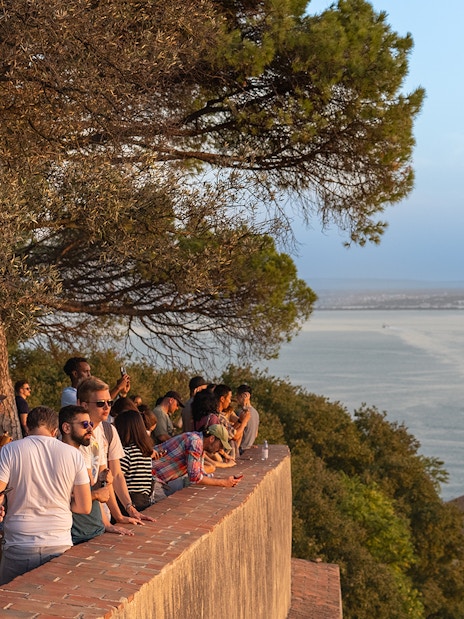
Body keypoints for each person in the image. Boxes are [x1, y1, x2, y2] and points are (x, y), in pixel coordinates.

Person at [0, 406, 91, 584]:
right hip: (59, 542)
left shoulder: (10, 450)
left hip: (20, 542)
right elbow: (84, 506)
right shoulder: (74, 455)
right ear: (54, 430)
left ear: (27, 427)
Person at [77, 377, 154, 525]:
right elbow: (90, 485)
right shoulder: (75, 435)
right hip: (84, 518)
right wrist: (108, 523)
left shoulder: (108, 430)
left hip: (102, 513)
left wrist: (128, 509)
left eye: (109, 402)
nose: (107, 407)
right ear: (83, 405)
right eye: (100, 403)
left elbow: (115, 475)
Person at [59, 405, 132, 543]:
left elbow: (86, 491)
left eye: (90, 424)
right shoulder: (61, 457)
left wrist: (107, 525)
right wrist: (97, 494)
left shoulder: (82, 452)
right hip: (78, 537)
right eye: (84, 424)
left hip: (95, 532)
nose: (90, 429)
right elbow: (61, 499)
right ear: (66, 428)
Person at [152, 425, 242, 497]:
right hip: (150, 477)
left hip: (155, 479)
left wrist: (226, 480)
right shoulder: (195, 442)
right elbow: (195, 477)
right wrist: (224, 483)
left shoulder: (199, 443)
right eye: (221, 445)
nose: (220, 449)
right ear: (212, 438)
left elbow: (200, 472)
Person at [114, 410, 157, 512]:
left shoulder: (125, 453)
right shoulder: (145, 452)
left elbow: (117, 477)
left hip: (127, 502)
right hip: (144, 500)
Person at [61, 357, 131, 407]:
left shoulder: (90, 392)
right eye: (86, 371)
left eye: (89, 371)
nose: (89, 375)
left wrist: (122, 393)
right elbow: (99, 404)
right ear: (75, 374)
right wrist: (118, 388)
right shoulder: (69, 394)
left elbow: (111, 409)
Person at [236, 384, 260, 455]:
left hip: (241, 449)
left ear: (244, 395)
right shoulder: (256, 413)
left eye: (238, 396)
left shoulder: (241, 413)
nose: (237, 398)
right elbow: (255, 434)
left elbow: (236, 433)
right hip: (249, 448)